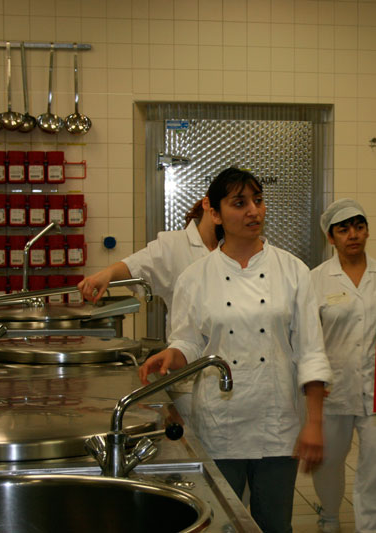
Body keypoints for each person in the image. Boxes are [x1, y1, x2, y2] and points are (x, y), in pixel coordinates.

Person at [138, 167, 332, 533]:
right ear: (214, 212)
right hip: (220, 424)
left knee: (275, 525)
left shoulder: (293, 271)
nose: (253, 211)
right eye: (239, 203)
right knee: (221, 525)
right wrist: (172, 356)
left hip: (277, 423)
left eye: (258, 201)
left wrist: (315, 423)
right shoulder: (195, 277)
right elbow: (188, 341)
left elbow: (311, 351)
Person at [309, 199, 376, 533]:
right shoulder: (316, 280)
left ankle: (372, 529)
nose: (352, 235)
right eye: (343, 229)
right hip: (332, 390)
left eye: (359, 226)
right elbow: (307, 340)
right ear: (331, 237)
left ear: (367, 231)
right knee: (328, 463)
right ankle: (329, 515)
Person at [77, 194, 218, 422]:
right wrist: (107, 275)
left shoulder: (234, 249)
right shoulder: (175, 245)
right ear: (209, 206)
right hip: (188, 379)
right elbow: (137, 266)